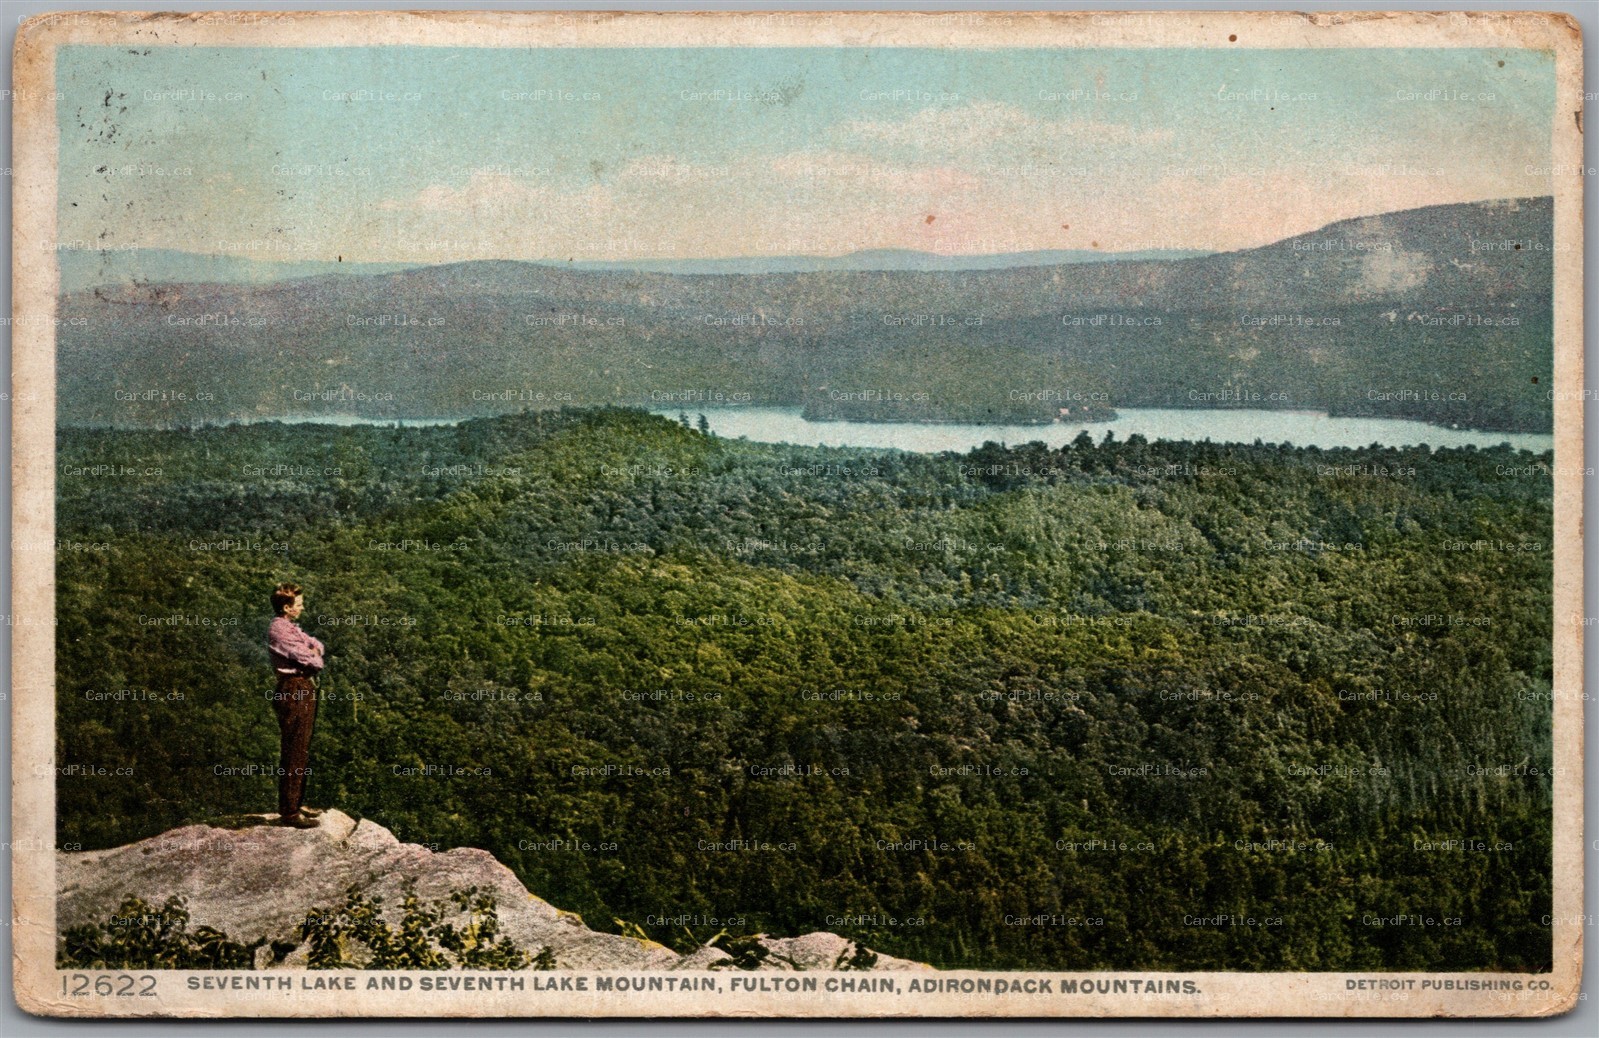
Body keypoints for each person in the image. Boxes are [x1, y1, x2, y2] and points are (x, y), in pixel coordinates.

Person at [267, 583, 326, 828]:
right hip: (294, 688)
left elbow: (317, 645)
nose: (302, 608)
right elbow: (312, 659)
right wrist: (312, 652)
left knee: (300, 748)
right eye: (298, 605)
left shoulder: (289, 627)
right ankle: (290, 812)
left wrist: (313, 650)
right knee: (294, 749)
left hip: (300, 687)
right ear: (286, 607)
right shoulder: (280, 631)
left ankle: (295, 804)